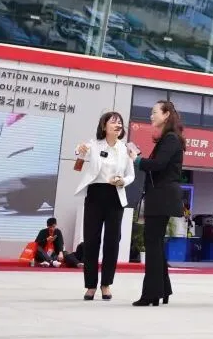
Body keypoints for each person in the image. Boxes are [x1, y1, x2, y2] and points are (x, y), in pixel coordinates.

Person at [74, 111, 136, 301]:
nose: (118, 125)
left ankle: (106, 284)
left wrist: (123, 181)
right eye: (113, 122)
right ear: (104, 126)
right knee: (91, 241)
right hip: (95, 195)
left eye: (120, 122)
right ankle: (91, 285)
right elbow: (79, 155)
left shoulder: (125, 149)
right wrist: (79, 150)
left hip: (115, 195)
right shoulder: (94, 145)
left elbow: (131, 175)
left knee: (112, 241)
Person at [133, 100, 185, 307]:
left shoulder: (171, 138)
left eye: (154, 112)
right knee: (155, 244)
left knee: (153, 244)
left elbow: (158, 165)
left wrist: (137, 160)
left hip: (162, 197)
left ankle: (151, 294)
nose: (151, 116)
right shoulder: (168, 138)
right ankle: (162, 289)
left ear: (166, 115)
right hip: (160, 197)